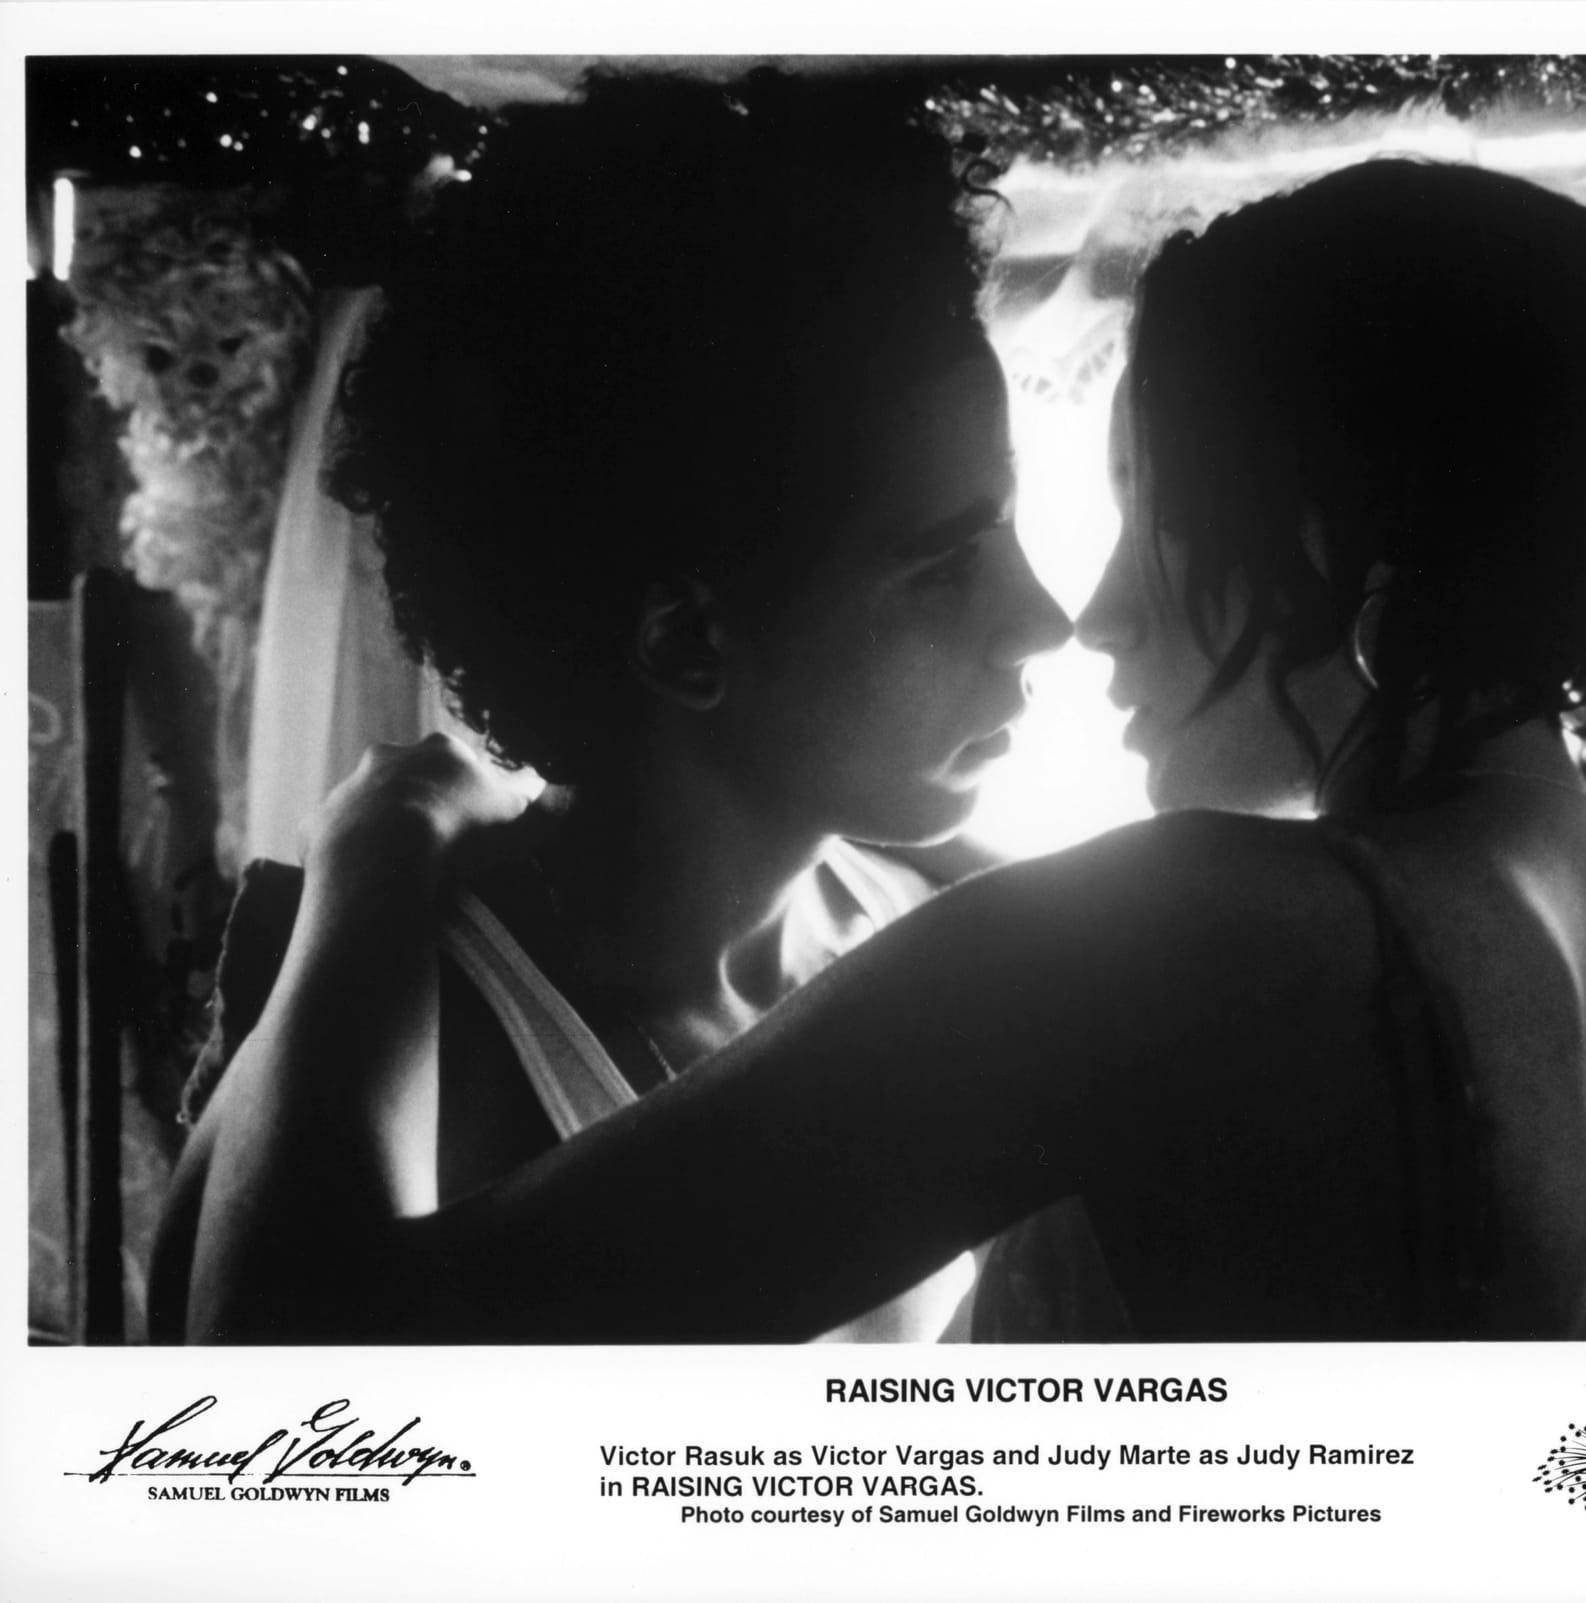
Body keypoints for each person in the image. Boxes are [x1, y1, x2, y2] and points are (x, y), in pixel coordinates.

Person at [175, 159, 1586, 1344]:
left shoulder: (1176, 931)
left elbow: (296, 1379)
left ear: (1345, 548)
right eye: (963, 546)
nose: (1081, 615)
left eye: (1154, 518)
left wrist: (377, 842)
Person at [147, 70, 1070, 1344]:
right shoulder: (407, 1063)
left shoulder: (951, 923)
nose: (1046, 620)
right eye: (944, 563)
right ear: (689, 641)